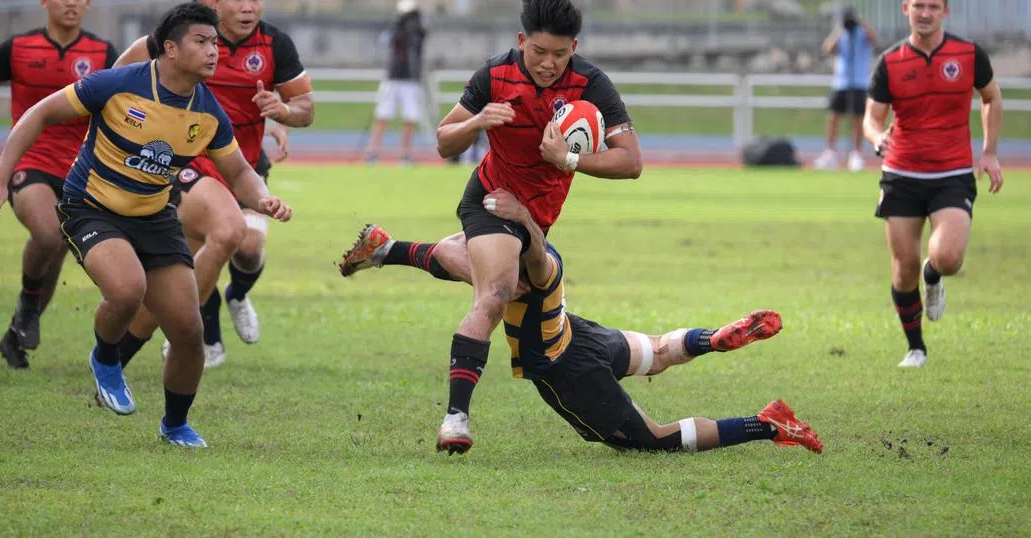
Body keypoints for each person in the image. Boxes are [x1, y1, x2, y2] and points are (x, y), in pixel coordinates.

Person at [0, 3, 292, 447]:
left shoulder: (207, 109)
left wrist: (263, 198)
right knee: (127, 289)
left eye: (215, 43)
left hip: (154, 217)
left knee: (188, 329)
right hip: (90, 207)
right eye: (202, 42)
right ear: (171, 49)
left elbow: (238, 171)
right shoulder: (120, 83)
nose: (214, 51)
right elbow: (38, 114)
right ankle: (105, 358)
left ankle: (175, 425)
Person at [346, 0, 643, 454]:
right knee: (498, 292)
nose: (547, 63)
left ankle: (389, 249)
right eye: (539, 51)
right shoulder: (495, 73)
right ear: (522, 40)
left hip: (535, 217)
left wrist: (567, 158)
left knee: (517, 286)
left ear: (575, 48)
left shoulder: (592, 85)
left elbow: (631, 163)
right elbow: (444, 141)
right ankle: (455, 420)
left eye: (559, 55)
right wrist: (478, 121)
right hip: (489, 199)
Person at [339, 190, 822, 456]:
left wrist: (520, 216)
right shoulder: (533, 261)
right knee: (658, 352)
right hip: (578, 332)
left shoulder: (529, 274)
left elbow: (464, 252)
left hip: (569, 372)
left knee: (654, 441)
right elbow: (455, 252)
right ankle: (710, 340)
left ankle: (766, 425)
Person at [114, 0, 311, 368]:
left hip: (243, 166)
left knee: (244, 252)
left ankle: (234, 295)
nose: (247, 7)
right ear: (215, 0)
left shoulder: (276, 45)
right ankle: (190, 336)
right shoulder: (187, 36)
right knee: (223, 235)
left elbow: (305, 108)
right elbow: (121, 71)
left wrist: (282, 111)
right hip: (187, 163)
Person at [0, 0, 118, 369]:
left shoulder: (102, 53)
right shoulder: (18, 49)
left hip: (82, 170)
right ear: (45, 0)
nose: (70, 2)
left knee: (56, 251)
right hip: (30, 163)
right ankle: (26, 303)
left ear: (88, 2)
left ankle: (16, 334)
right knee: (48, 235)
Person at [864, 0, 1003, 368]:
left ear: (946, 11)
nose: (925, 13)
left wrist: (990, 152)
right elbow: (872, 119)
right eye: (918, 6)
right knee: (902, 266)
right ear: (906, 9)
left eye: (933, 7)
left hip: (951, 174)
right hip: (902, 174)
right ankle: (916, 347)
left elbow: (991, 98)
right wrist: (877, 139)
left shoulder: (968, 55)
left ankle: (934, 274)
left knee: (949, 257)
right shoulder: (890, 62)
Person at [364, 0, 428, 164]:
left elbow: (422, 35)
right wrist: (400, 24)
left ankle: (405, 154)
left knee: (410, 117)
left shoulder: (418, 31)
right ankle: (373, 151)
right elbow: (389, 40)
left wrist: (413, 25)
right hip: (393, 79)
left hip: (411, 81)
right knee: (382, 116)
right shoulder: (394, 30)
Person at [815, 7, 877, 172]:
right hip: (841, 82)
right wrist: (839, 28)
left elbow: (873, 37)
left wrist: (861, 22)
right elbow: (827, 48)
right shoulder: (841, 34)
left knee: (858, 119)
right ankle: (830, 152)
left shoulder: (862, 33)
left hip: (860, 82)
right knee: (833, 117)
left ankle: (856, 154)